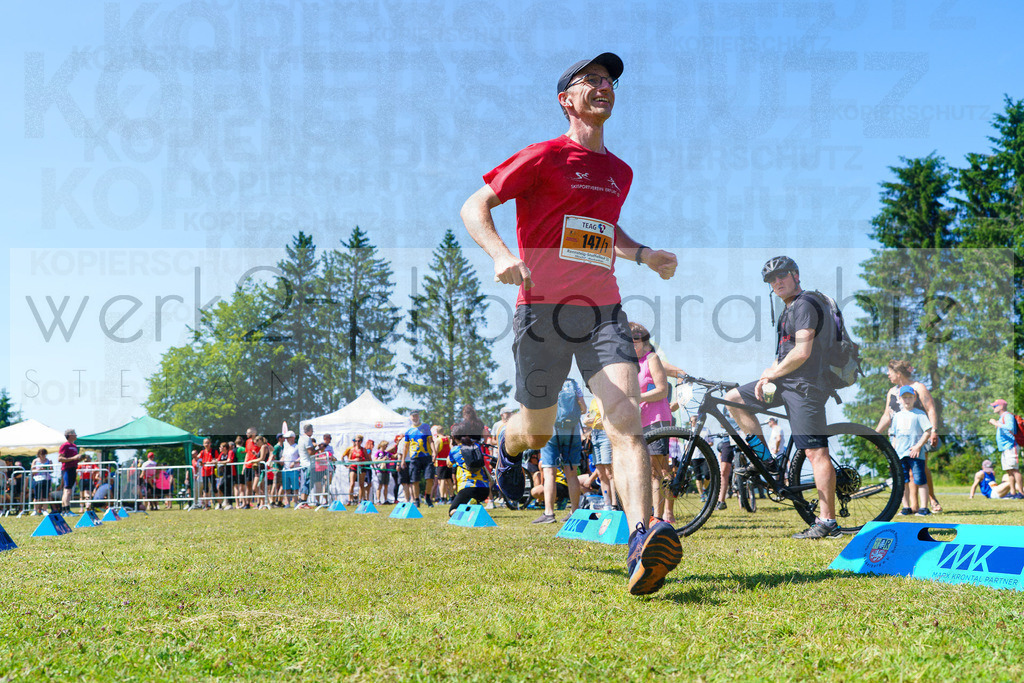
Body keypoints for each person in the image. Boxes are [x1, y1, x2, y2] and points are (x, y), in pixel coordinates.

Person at [461, 52, 682, 594]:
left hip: (603, 311)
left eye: (610, 81)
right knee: (535, 430)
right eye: (592, 81)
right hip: (540, 312)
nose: (604, 87)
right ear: (567, 100)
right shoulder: (543, 156)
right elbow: (474, 206)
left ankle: (641, 539)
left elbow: (604, 230)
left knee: (625, 420)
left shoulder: (619, 172)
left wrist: (644, 254)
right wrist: (500, 255)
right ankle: (505, 444)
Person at [723, 256, 839, 539]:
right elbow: (784, 354)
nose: (776, 282)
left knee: (815, 452)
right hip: (785, 382)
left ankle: (828, 522)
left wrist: (772, 374)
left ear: (795, 275)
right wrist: (769, 374)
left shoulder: (806, 303)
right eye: (771, 279)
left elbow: (802, 352)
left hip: (806, 385)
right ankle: (767, 462)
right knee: (734, 398)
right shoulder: (787, 309)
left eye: (782, 275)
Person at [876, 360, 944, 512]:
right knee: (905, 472)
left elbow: (931, 409)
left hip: (918, 436)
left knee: (919, 468)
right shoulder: (892, 392)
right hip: (898, 437)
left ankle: (931, 499)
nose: (887, 375)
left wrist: (934, 430)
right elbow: (887, 415)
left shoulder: (918, 388)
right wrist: (876, 434)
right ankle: (912, 506)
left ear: (898, 373)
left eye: (890, 372)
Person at [631, 323, 677, 525]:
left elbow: (662, 390)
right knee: (651, 471)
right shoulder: (631, 363)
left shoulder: (652, 359)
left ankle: (661, 516)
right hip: (639, 422)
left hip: (657, 419)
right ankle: (656, 514)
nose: (631, 343)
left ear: (644, 341)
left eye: (635, 339)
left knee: (659, 471)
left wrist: (636, 398)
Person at [531, 378, 586, 524]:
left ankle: (549, 513)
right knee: (572, 473)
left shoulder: (544, 382)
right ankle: (574, 511)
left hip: (551, 430)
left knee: (549, 472)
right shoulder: (573, 384)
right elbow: (584, 408)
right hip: (572, 431)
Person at [890, 386, 933, 515]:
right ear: (899, 399)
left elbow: (927, 431)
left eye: (910, 397)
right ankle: (906, 507)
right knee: (903, 482)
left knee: (920, 480)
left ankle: (924, 508)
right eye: (904, 397)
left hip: (916, 454)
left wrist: (918, 446)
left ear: (914, 398)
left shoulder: (919, 414)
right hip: (900, 454)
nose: (907, 400)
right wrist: (893, 451)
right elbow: (894, 435)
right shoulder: (897, 416)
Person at [447, 422, 492, 516]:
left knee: (452, 511)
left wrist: (451, 446)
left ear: (453, 436)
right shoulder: (476, 446)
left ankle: (469, 510)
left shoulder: (455, 450)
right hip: (485, 489)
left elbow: (449, 464)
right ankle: (474, 505)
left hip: (468, 488)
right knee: (471, 501)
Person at [583, 397, 616, 510]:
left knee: (609, 473)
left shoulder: (609, 396)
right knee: (601, 474)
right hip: (595, 435)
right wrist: (587, 420)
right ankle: (607, 504)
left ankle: (615, 505)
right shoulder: (594, 400)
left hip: (606, 434)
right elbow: (590, 417)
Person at [988, 399, 1022, 498]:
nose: (993, 408)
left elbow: (1010, 427)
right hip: (1005, 448)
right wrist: (997, 423)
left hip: (1011, 446)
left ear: (1001, 406)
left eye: (995, 406)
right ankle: (1013, 492)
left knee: (1015, 470)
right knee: (1009, 470)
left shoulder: (1007, 416)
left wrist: (996, 423)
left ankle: (1021, 492)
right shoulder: (1002, 417)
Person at [400, 410, 434, 507]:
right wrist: (403, 459)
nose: (415, 418)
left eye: (416, 416)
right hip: (415, 458)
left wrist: (434, 452)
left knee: (429, 478)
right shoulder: (408, 431)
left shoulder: (425, 427)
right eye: (413, 416)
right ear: (410, 417)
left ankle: (427, 497)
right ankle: (416, 500)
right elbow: (406, 447)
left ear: (419, 416)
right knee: (414, 480)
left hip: (427, 456)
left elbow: (430, 440)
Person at [58, 428, 85, 514]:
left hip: (73, 469)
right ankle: (67, 510)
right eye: (74, 433)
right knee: (68, 490)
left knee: (67, 490)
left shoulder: (74, 446)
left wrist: (81, 458)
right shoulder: (65, 445)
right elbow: (60, 458)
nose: (76, 435)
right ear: (70, 435)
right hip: (67, 469)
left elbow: (74, 459)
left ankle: (64, 510)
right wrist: (74, 458)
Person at [280, 431, 302, 508]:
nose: (287, 440)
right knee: (286, 488)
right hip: (285, 470)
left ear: (293, 438)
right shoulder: (286, 447)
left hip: (294, 470)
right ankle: (287, 503)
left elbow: (301, 457)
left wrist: (295, 462)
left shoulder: (297, 447)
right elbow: (283, 456)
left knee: (295, 487)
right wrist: (281, 460)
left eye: (288, 438)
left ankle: (296, 502)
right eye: (286, 438)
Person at [30, 448, 52, 515]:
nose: (43, 456)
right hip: (37, 479)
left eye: (44, 454)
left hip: (46, 479)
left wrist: (47, 468)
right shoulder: (35, 461)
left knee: (45, 496)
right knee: (37, 496)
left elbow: (51, 470)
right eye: (42, 454)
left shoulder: (48, 461)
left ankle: (45, 510)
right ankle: (35, 510)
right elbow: (32, 471)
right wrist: (39, 469)